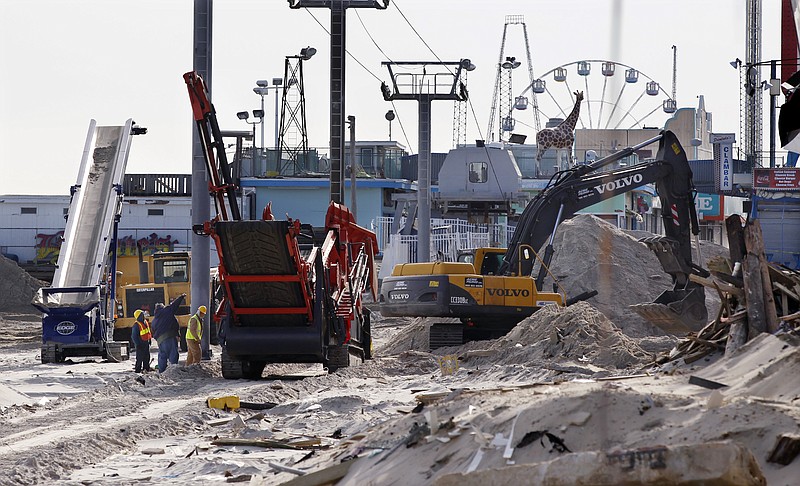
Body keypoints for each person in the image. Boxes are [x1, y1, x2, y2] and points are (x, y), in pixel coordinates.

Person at [150, 293, 186, 373]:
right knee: (173, 354)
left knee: (162, 356)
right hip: (170, 337)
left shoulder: (154, 320)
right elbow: (174, 305)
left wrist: (158, 339)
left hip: (160, 341)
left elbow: (153, 331)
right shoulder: (167, 312)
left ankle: (162, 371)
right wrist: (181, 297)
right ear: (163, 307)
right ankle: (174, 371)